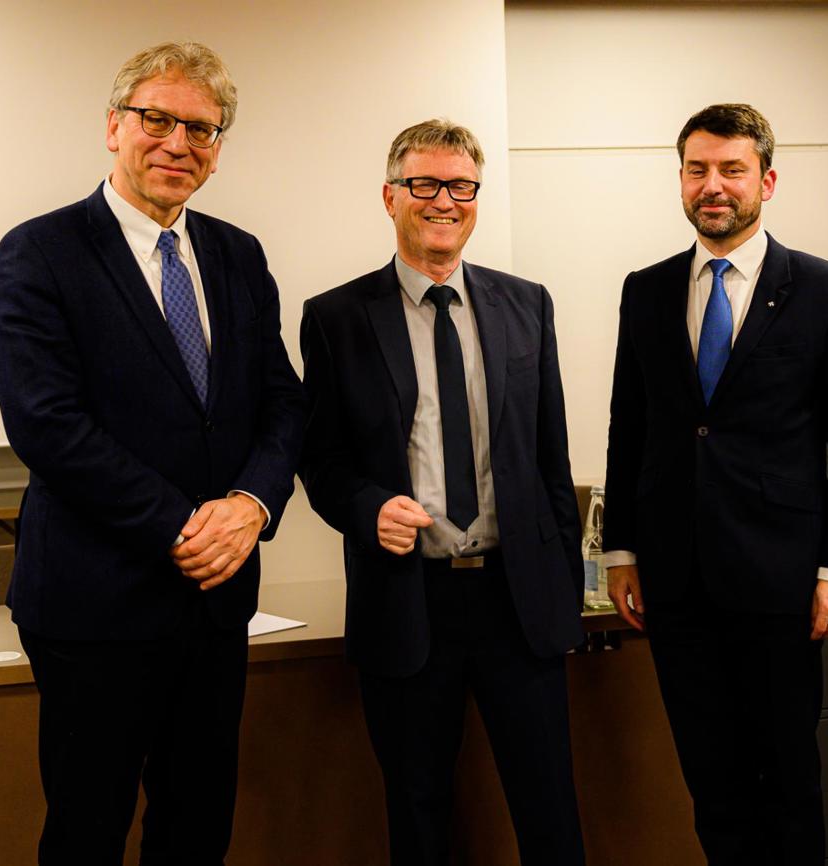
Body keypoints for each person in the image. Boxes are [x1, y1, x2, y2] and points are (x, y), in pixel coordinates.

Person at [0, 41, 305, 865]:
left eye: (200, 129)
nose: (177, 143)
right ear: (113, 126)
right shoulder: (41, 251)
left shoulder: (238, 254)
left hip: (216, 602)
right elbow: (46, 424)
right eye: (156, 119)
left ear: (218, 149)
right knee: (88, 828)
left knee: (198, 823)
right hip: (95, 605)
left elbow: (281, 401)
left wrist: (251, 507)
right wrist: (184, 526)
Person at [299, 119, 586, 866]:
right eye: (424, 184)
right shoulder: (335, 319)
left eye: (461, 186)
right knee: (419, 812)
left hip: (515, 602)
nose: (444, 201)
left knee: (549, 807)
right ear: (390, 197)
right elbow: (320, 460)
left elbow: (549, 461)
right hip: (408, 600)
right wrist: (368, 509)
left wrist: (562, 598)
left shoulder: (529, 305)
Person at [603, 103, 828, 865]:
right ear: (682, 180)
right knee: (712, 780)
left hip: (783, 582)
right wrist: (619, 549)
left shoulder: (826, 290)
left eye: (731, 169)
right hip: (677, 581)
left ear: (767, 179)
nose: (713, 186)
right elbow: (631, 424)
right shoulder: (647, 289)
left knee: (787, 780)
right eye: (697, 170)